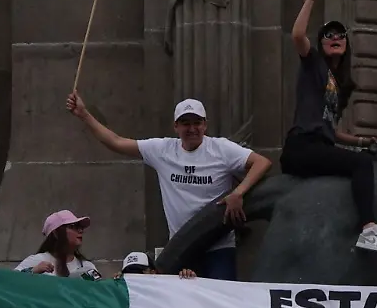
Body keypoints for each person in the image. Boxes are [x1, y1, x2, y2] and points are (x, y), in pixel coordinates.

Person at [66, 93, 273, 280]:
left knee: (223, 305)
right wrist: (84, 115)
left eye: (197, 123)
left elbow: (262, 163)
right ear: (176, 126)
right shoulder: (163, 149)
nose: (192, 129)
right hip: (181, 248)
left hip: (219, 246)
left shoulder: (222, 149)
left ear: (205, 125)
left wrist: (238, 193)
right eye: (185, 123)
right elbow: (116, 142)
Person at [281, 0, 377, 254]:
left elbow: (331, 130)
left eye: (340, 35)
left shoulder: (340, 85)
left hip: (320, 144)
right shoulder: (314, 66)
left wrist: (361, 141)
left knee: (362, 157)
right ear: (321, 45)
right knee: (361, 166)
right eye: (328, 35)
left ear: (346, 45)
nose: (335, 37)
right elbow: (298, 34)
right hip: (302, 146)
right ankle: (369, 228)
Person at [14, 210, 100, 279]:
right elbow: (9, 282)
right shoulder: (39, 260)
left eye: (80, 227)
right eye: (73, 226)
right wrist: (32, 272)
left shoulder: (87, 266)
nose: (80, 231)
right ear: (56, 233)